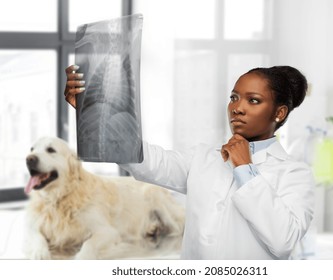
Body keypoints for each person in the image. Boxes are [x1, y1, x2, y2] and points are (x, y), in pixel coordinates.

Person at [64, 65, 315, 260]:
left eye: (253, 100)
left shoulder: (294, 173)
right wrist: (93, 113)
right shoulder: (204, 157)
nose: (237, 108)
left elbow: (284, 241)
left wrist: (244, 169)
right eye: (234, 97)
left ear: (279, 113)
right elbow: (148, 161)